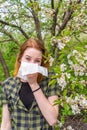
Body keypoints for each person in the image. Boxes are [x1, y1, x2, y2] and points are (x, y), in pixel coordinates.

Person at [0, 38, 59, 130]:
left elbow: (52, 120)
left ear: (41, 63)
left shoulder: (50, 80)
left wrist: (34, 84)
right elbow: (6, 123)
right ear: (20, 58)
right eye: (28, 59)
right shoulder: (8, 84)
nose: (32, 64)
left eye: (37, 61)